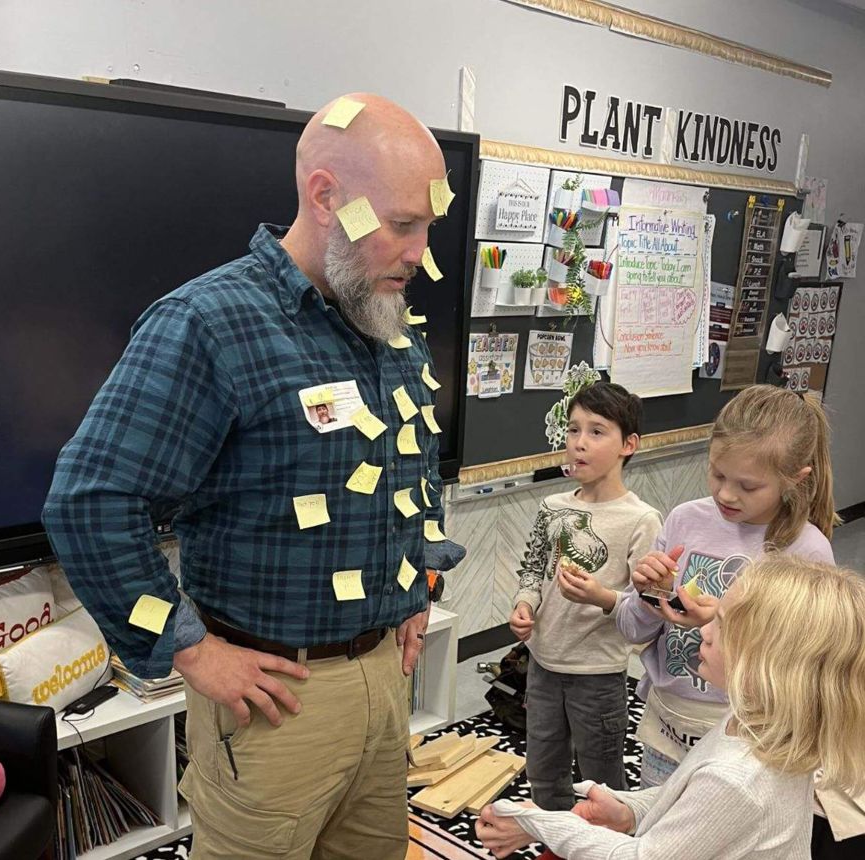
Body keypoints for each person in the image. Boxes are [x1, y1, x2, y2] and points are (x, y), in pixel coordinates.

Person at [43, 93, 464, 860]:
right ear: (325, 194)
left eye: (427, 226)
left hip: (385, 674)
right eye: (403, 224)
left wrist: (416, 586)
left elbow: (414, 458)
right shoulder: (209, 322)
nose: (419, 251)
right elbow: (90, 502)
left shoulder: (387, 319)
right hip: (275, 697)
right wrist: (191, 650)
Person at [476, 557, 865, 859]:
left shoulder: (739, 780)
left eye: (723, 625)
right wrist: (629, 811)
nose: (705, 630)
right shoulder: (756, 720)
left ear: (772, 665)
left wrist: (537, 822)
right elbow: (688, 802)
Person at [615, 384, 836, 789]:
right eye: (717, 473)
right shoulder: (684, 519)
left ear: (795, 479)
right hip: (668, 725)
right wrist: (651, 593)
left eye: (748, 486)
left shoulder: (808, 550)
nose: (725, 493)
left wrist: (722, 621)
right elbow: (631, 629)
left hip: (746, 743)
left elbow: (804, 675)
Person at [508, 381, 662, 810]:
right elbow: (533, 570)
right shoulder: (552, 506)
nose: (579, 443)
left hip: (598, 674)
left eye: (597, 432)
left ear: (628, 444)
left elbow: (646, 609)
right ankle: (556, 844)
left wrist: (601, 596)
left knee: (601, 782)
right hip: (542, 665)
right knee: (543, 772)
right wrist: (525, 605)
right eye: (573, 430)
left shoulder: (642, 520)